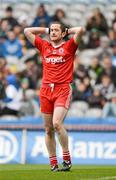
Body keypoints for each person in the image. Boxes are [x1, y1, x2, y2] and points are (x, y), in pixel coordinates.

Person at [24, 22, 83, 171]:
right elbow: (26, 31)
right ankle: (53, 163)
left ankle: (67, 159)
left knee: (57, 123)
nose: (53, 32)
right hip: (45, 90)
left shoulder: (69, 46)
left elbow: (80, 30)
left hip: (62, 89)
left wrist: (67, 31)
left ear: (62, 33)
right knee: (48, 129)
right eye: (52, 30)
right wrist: (45, 29)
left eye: (56, 30)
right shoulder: (44, 46)